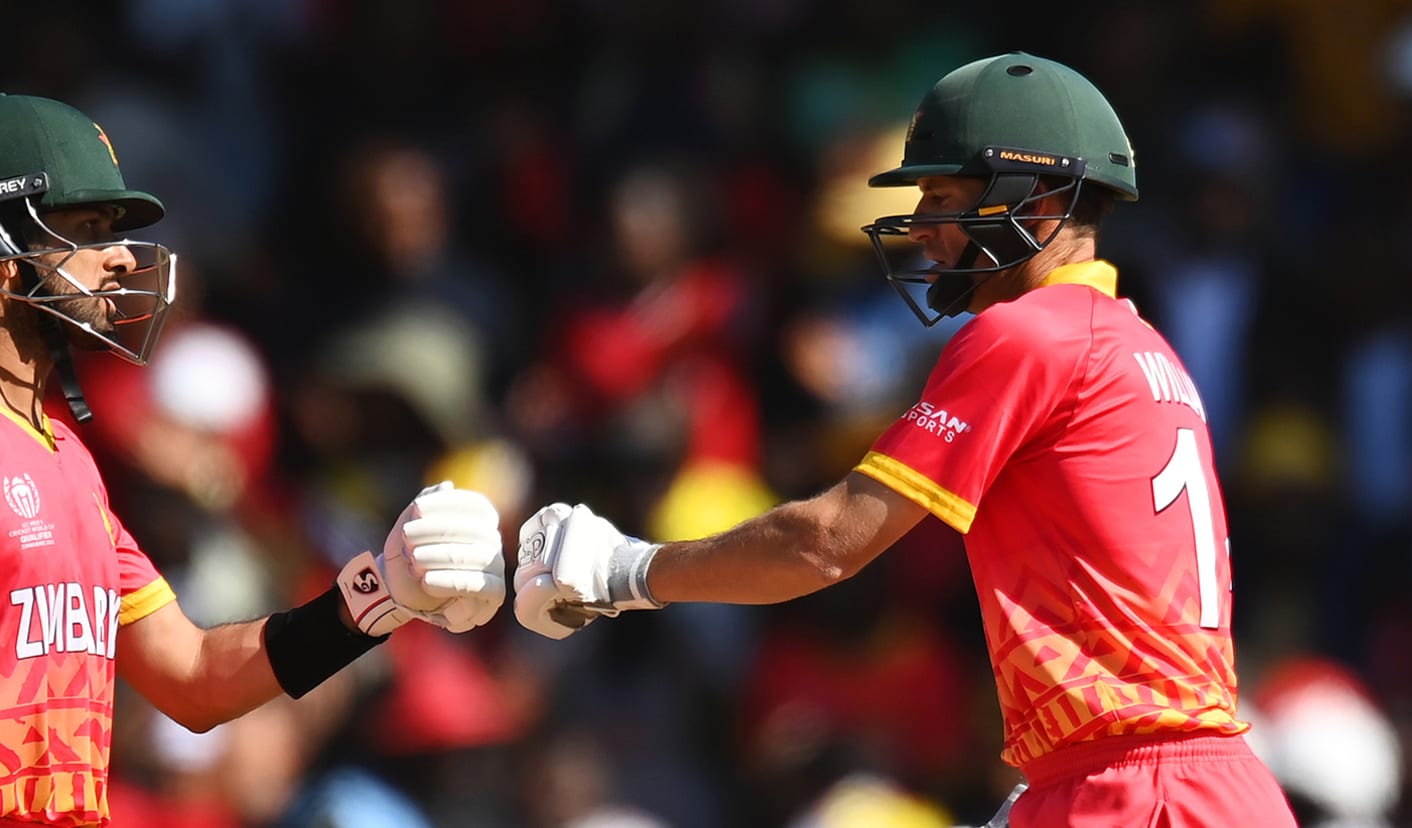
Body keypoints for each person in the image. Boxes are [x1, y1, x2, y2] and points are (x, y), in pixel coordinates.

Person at [512, 53, 1296, 827]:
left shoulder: (1030, 334)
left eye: (943, 196)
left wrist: (623, 570)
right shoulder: (1145, 348)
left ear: (1043, 199)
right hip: (1186, 786)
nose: (922, 228)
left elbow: (825, 543)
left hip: (1133, 795)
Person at [0, 94, 507, 828]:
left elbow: (195, 678)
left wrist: (376, 597)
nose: (122, 258)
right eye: (89, 228)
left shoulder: (67, 456)